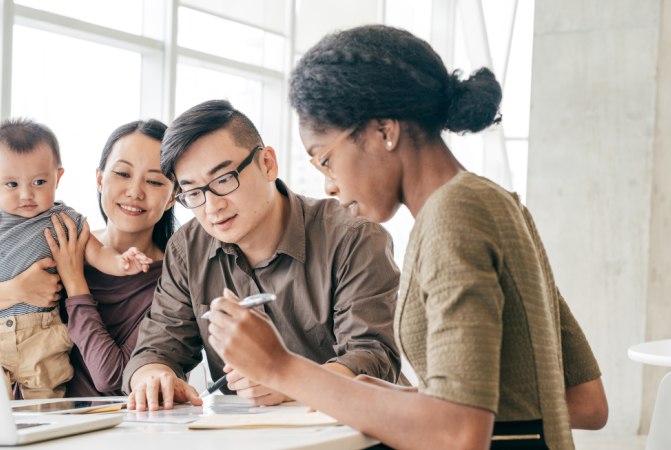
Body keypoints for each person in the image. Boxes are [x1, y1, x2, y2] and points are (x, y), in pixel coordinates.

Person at [204, 25, 609, 450]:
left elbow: (458, 431)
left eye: (325, 159)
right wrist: (390, 396)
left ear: (383, 131)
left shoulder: (454, 216)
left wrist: (279, 366)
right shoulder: (495, 204)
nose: (328, 185)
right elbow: (583, 400)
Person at [123, 100, 403, 411]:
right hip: (247, 436)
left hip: (351, 430)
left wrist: (287, 381)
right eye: (192, 192)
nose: (212, 207)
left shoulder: (354, 238)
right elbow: (155, 350)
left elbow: (372, 357)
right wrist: (154, 377)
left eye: (224, 180)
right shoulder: (187, 249)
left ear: (268, 163)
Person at [0, 118, 152, 399]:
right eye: (11, 184)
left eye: (39, 182)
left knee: (43, 408)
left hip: (43, 337)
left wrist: (121, 263)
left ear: (57, 178)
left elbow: (97, 252)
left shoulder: (64, 218)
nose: (27, 194)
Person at [42, 119, 177, 397]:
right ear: (100, 179)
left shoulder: (174, 282)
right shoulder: (64, 241)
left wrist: (74, 281)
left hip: (111, 433)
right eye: (123, 174)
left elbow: (114, 379)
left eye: (153, 181)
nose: (135, 192)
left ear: (174, 196)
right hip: (24, 420)